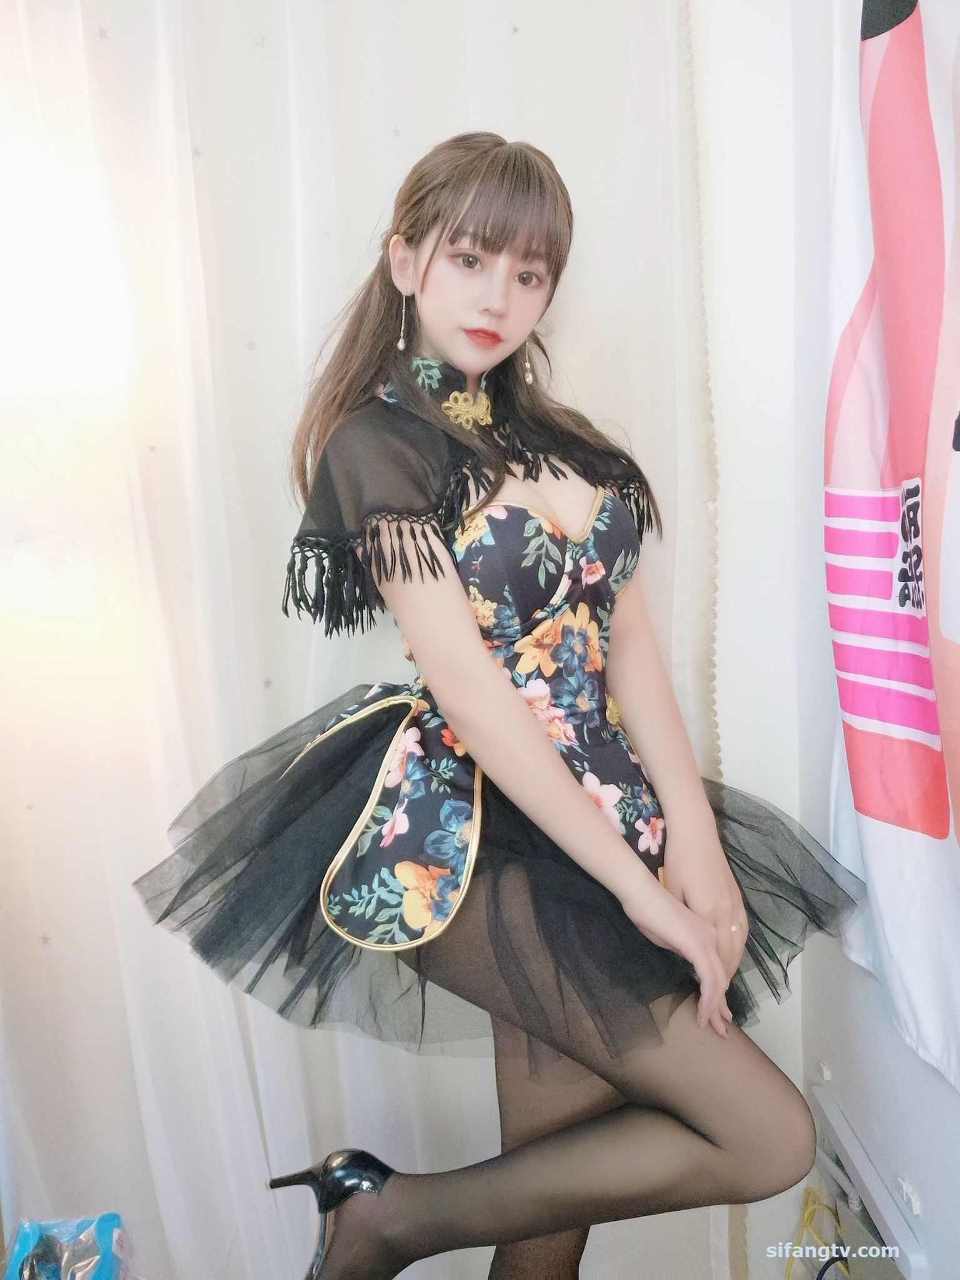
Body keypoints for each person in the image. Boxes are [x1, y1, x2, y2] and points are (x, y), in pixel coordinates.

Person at [133, 131, 868, 1278]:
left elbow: (629, 648)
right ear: (406, 259)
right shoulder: (378, 447)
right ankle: (388, 1217)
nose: (499, 298)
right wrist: (640, 894)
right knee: (769, 1133)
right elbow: (473, 698)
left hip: (607, 815)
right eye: (472, 260)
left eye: (529, 274)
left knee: (548, 1221)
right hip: (473, 834)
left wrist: (696, 843)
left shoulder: (565, 442)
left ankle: (381, 1215)